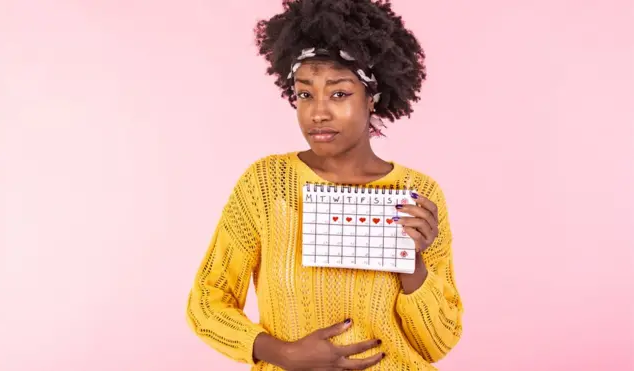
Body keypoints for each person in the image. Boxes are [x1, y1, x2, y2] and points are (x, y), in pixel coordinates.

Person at [185, 0, 463, 369]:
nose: (317, 112)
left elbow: (437, 345)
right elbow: (206, 300)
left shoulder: (417, 195)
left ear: (373, 98)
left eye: (339, 93)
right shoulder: (265, 185)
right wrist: (282, 353)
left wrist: (412, 265)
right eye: (304, 94)